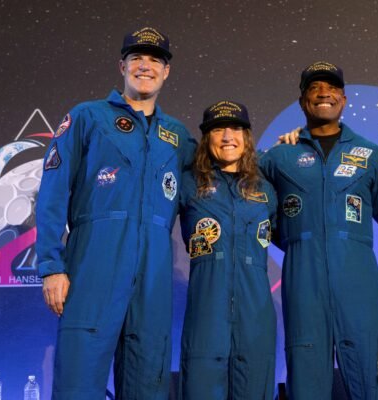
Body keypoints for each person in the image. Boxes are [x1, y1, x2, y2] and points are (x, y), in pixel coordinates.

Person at [35, 27, 197, 398]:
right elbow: (52, 193)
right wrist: (52, 266)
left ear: (166, 71)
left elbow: (210, 183)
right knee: (78, 383)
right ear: (122, 66)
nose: (145, 66)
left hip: (153, 274)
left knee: (148, 383)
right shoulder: (88, 117)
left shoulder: (178, 136)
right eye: (136, 58)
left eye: (155, 60)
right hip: (94, 263)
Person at [259, 61, 378, 400]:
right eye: (315, 88)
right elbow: (257, 209)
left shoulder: (371, 155)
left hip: (358, 275)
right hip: (303, 275)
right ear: (302, 101)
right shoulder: (278, 157)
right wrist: (297, 240)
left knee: (370, 368)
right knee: (306, 371)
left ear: (343, 99)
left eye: (332, 87)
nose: (324, 93)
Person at [177, 100, 278, 399]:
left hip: (256, 315)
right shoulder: (188, 183)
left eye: (235, 128)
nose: (227, 137)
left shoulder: (266, 189)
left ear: (247, 137)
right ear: (206, 138)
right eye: (217, 129)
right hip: (206, 313)